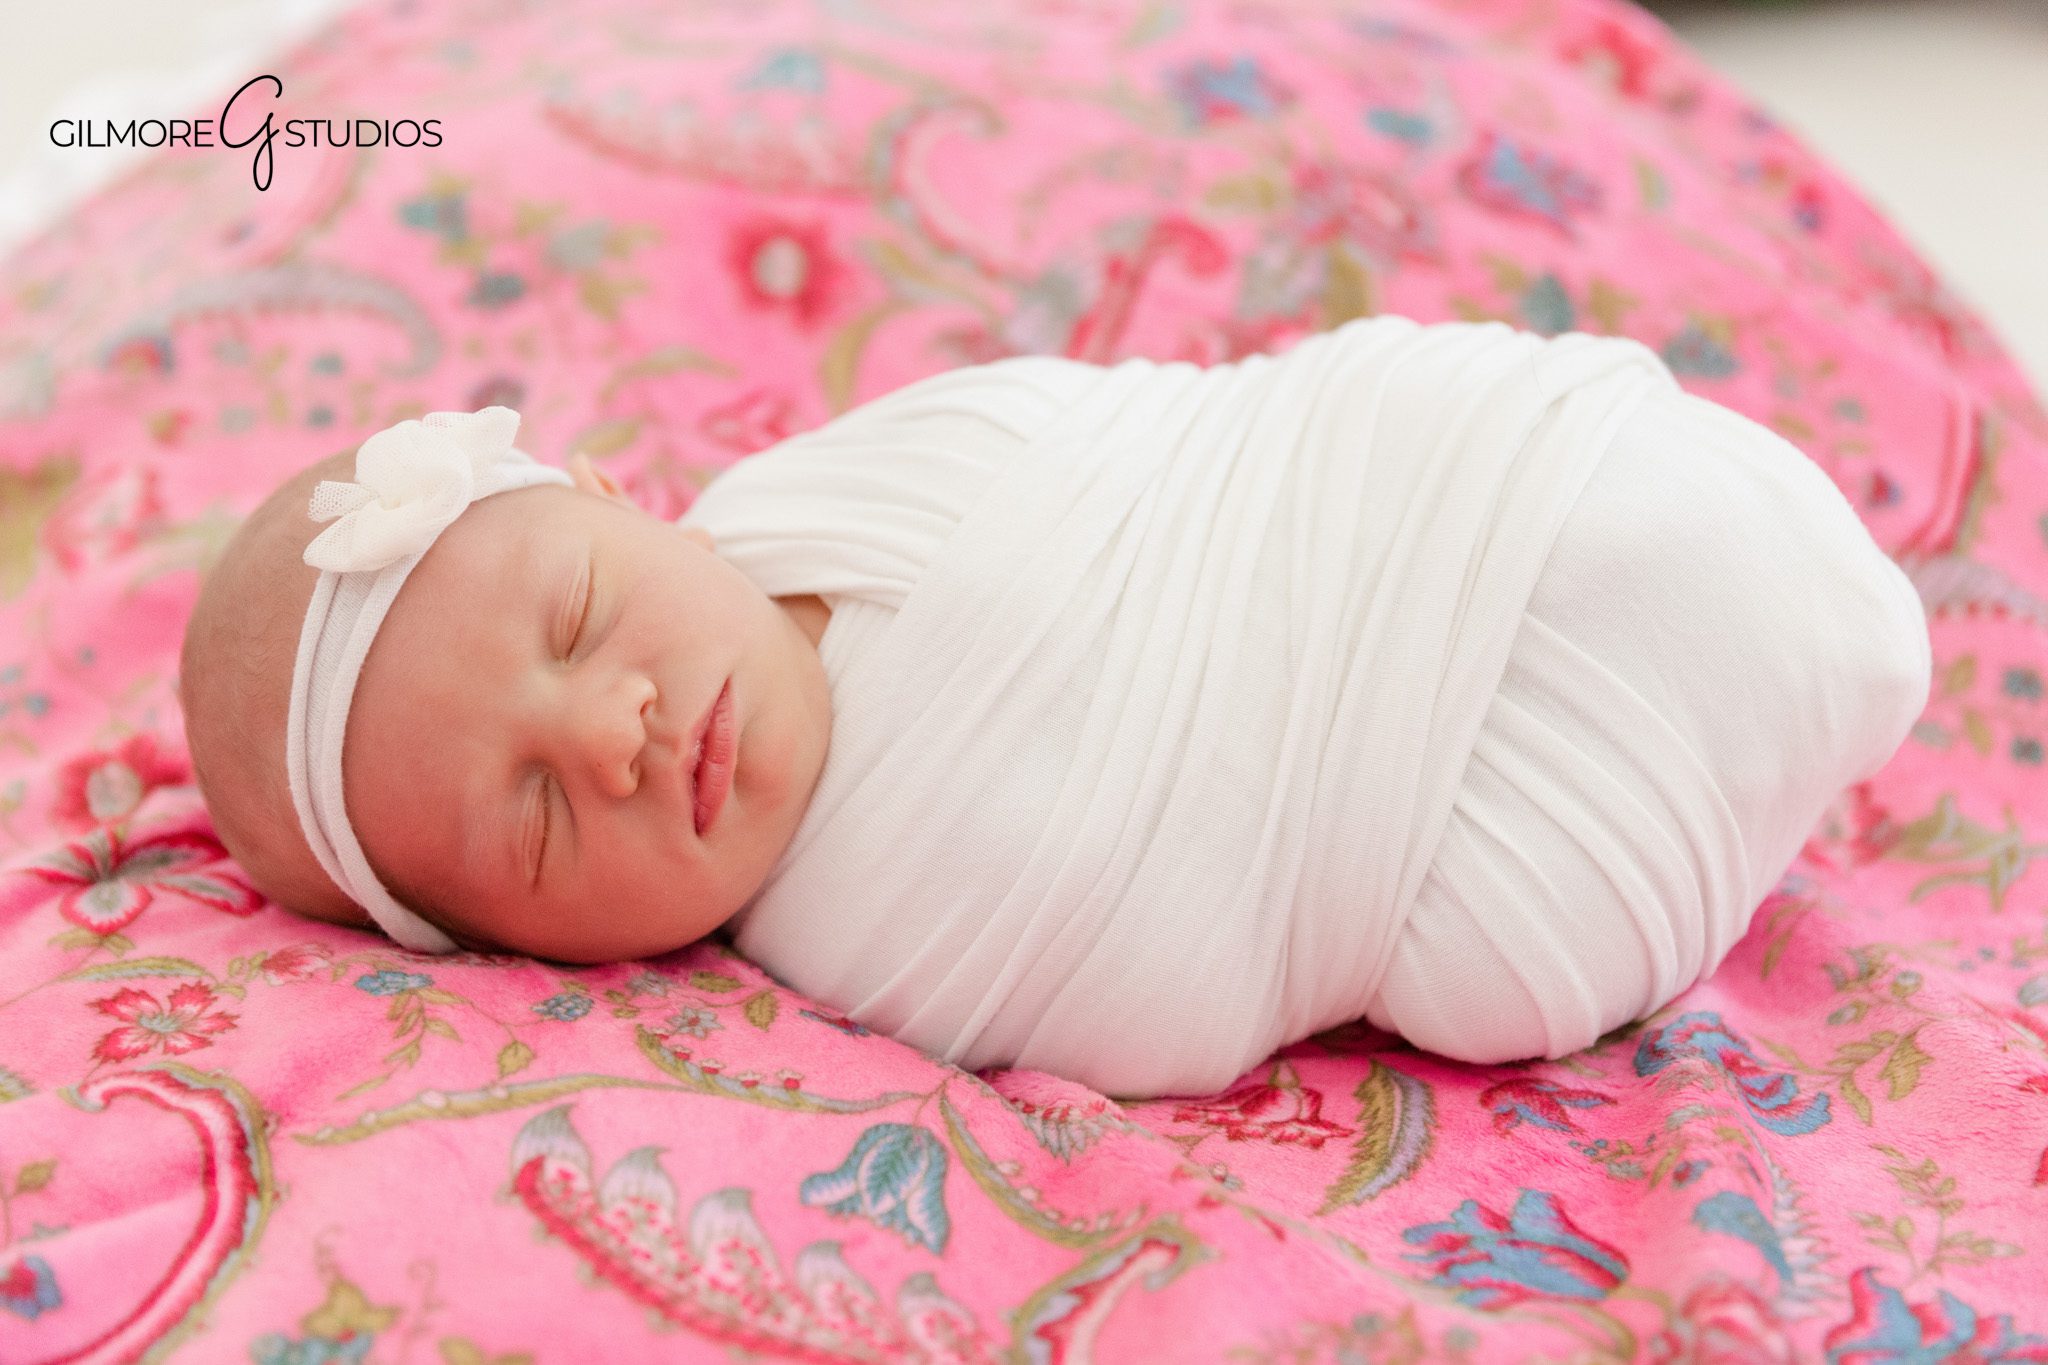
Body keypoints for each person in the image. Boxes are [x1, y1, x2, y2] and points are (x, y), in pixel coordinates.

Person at [178, 315, 1931, 1098]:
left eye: (580, 613)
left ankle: (1736, 570)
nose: (618, 730)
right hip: (1493, 838)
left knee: (1565, 492)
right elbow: (1167, 984)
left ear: (628, 500)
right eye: (542, 818)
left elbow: (1180, 431)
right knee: (1491, 953)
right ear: (514, 957)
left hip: (1479, 485)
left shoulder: (835, 487)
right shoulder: (852, 954)